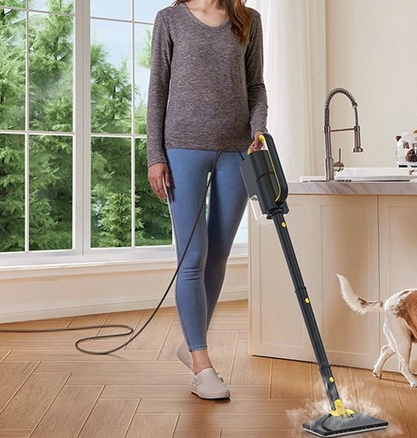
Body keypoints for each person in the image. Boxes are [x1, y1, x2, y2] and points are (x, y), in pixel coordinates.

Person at [146, 0, 267, 400]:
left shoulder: (247, 20)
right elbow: (158, 89)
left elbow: (255, 86)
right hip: (183, 149)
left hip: (237, 150)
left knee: (218, 253)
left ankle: (191, 340)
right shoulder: (170, 19)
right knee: (192, 254)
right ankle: (201, 364)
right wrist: (156, 156)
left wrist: (258, 130)